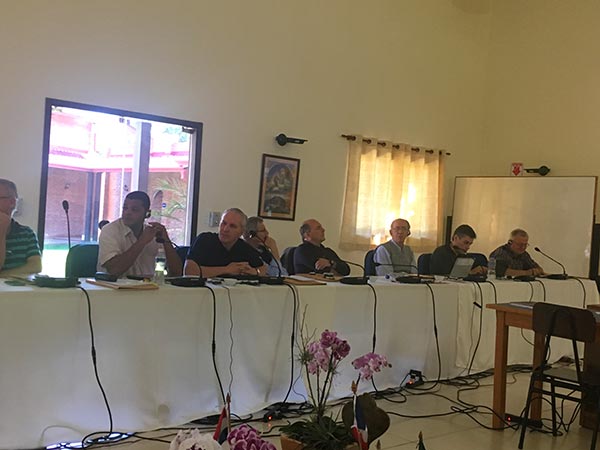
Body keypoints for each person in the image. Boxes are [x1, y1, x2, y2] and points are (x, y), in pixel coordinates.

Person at [97, 191, 182, 278]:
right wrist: (142, 241)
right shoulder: (110, 230)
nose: (128, 212)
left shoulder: (152, 233)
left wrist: (166, 240)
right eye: (125, 208)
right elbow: (114, 270)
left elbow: (177, 273)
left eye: (134, 209)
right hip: (115, 286)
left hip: (149, 285)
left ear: (147, 213)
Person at [185, 208, 267, 278]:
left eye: (232, 226)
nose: (225, 229)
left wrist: (255, 272)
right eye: (223, 223)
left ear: (241, 232)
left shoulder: (243, 247)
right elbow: (188, 271)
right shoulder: (204, 240)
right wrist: (227, 269)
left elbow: (263, 269)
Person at [0, 179, 42, 276]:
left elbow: (36, 266)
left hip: (17, 286)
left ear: (12, 202)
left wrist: (3, 275)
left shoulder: (27, 233)